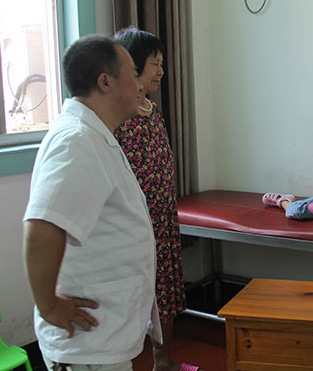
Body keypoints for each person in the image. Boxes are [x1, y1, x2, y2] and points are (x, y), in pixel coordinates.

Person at [23, 35, 161, 371]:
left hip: (103, 337)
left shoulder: (95, 135)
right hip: (87, 346)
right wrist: (49, 306)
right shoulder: (77, 141)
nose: (140, 85)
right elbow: (42, 228)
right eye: (134, 73)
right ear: (105, 82)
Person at [114, 27, 197, 371]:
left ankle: (164, 362)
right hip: (134, 223)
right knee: (133, 295)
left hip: (163, 219)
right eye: (155, 63)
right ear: (132, 65)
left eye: (162, 63)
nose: (161, 71)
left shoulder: (153, 110)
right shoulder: (119, 117)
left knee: (165, 292)